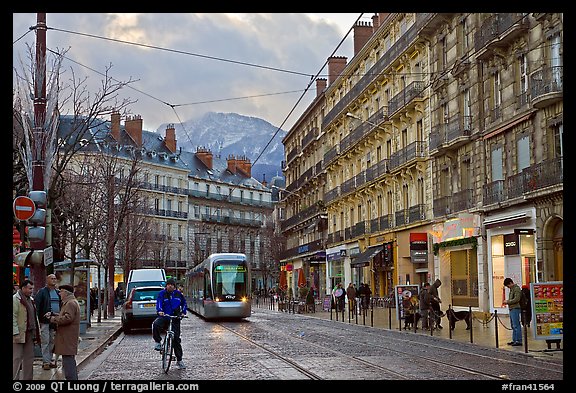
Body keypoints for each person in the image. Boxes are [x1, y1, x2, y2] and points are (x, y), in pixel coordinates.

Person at [46, 284, 81, 380]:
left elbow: (68, 318)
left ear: (65, 293)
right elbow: (66, 315)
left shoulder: (70, 303)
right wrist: (55, 314)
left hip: (67, 337)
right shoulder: (70, 302)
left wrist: (53, 319)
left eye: (61, 292)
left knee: (68, 361)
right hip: (67, 337)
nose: (59, 294)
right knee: (68, 360)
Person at [152, 278, 188, 370]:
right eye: (169, 284)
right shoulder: (162, 294)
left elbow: (184, 303)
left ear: (174, 286)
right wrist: (160, 311)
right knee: (156, 324)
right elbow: (159, 303)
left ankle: (179, 360)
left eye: (172, 284)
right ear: (166, 286)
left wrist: (183, 312)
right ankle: (157, 342)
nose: (170, 286)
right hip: (164, 316)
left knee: (176, 339)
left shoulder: (178, 294)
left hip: (175, 318)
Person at [13, 279, 41, 380]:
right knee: (16, 358)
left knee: (29, 359)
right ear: (23, 288)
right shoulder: (15, 299)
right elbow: (13, 317)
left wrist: (37, 333)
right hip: (19, 333)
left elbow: (34, 316)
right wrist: (15, 333)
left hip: (30, 333)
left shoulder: (31, 299)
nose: (31, 290)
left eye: (32, 288)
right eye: (30, 288)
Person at [34, 273, 61, 370]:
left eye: (55, 278)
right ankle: (46, 361)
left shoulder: (58, 292)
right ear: (47, 280)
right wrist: (38, 319)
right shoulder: (42, 292)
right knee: (45, 341)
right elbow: (37, 306)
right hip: (45, 320)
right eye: (52, 278)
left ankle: (49, 360)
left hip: (55, 321)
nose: (54, 280)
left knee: (52, 341)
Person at [503, 277, 523, 346]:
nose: (508, 287)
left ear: (511, 283)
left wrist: (507, 302)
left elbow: (517, 299)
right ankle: (514, 340)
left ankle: (518, 340)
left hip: (515, 308)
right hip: (512, 308)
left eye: (508, 285)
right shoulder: (512, 289)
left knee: (516, 325)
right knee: (513, 325)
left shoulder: (516, 289)